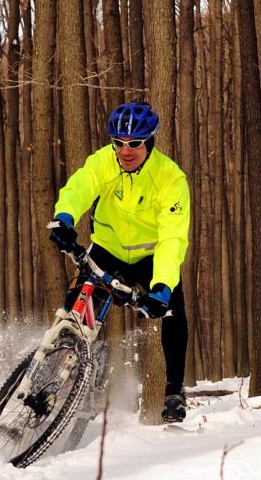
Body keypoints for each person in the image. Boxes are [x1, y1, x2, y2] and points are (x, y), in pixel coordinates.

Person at [48, 100, 191, 423]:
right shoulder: (104, 162)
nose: (125, 151)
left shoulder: (170, 178)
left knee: (173, 312)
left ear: (150, 141)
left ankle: (174, 391)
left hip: (151, 257)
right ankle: (55, 372)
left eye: (135, 144)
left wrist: (163, 286)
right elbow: (81, 186)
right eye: (118, 143)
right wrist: (64, 218)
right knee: (74, 309)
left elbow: (173, 238)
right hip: (108, 250)